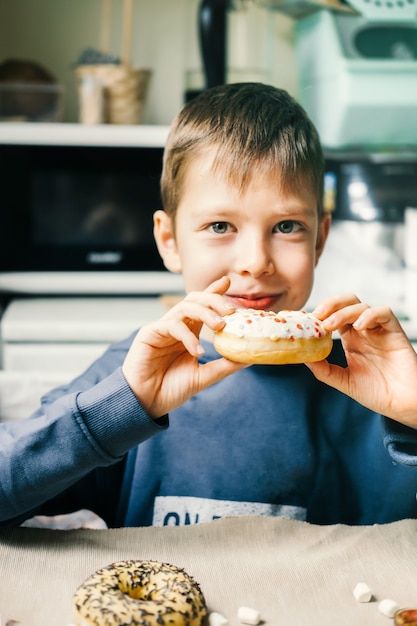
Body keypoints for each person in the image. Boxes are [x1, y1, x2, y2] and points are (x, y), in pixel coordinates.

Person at [1, 83, 417, 529]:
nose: (255, 262)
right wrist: (118, 410)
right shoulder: (129, 379)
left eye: (287, 226)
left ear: (320, 240)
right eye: (220, 225)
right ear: (169, 241)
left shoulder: (380, 386)